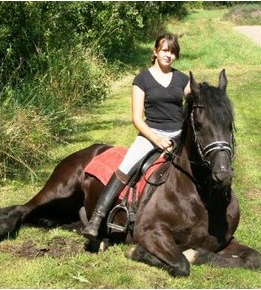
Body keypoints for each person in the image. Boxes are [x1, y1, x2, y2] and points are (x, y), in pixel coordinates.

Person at [82, 33, 191, 241]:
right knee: (126, 165)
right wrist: (157, 140)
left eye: (173, 51)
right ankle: (97, 218)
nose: (169, 55)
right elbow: (137, 119)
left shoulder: (182, 80)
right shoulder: (142, 79)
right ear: (155, 52)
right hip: (150, 135)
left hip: (177, 135)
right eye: (165, 50)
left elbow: (196, 101)